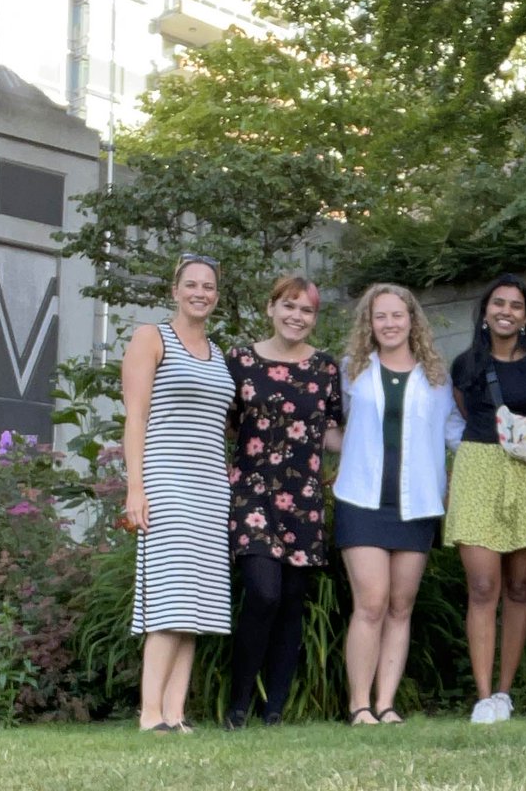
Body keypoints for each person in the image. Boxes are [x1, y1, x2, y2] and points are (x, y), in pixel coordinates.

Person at [332, 283, 464, 725]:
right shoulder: (352, 371)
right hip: (361, 500)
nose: (389, 324)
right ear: (369, 323)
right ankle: (359, 705)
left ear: (412, 320)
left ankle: (386, 704)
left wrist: (506, 442)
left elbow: (454, 435)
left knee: (400, 606)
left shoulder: (436, 377)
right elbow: (330, 427)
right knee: (371, 601)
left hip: (418, 505)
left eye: (396, 315)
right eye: (379, 316)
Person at [223, 275, 343, 728]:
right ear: (271, 308)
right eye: (289, 306)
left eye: (307, 310)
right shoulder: (240, 360)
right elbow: (227, 425)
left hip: (304, 496)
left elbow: (332, 435)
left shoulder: (325, 368)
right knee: (263, 593)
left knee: (291, 601)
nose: (297, 316)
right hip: (252, 492)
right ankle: (237, 706)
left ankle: (274, 710)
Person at [444, 274, 526, 724]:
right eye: (499, 303)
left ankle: (505, 693)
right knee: (482, 587)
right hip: (478, 468)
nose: (506, 311)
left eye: (516, 305)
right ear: (486, 310)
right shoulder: (465, 364)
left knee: (518, 587)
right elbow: (463, 412)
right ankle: (482, 696)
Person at [123, 254, 235, 733]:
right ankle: (150, 715)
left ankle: (175, 714)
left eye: (208, 286)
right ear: (175, 290)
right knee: (169, 598)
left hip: (211, 488)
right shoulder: (152, 337)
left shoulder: (218, 350)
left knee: (196, 603)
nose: (200, 293)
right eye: (191, 284)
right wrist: (135, 488)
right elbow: (136, 418)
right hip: (165, 483)